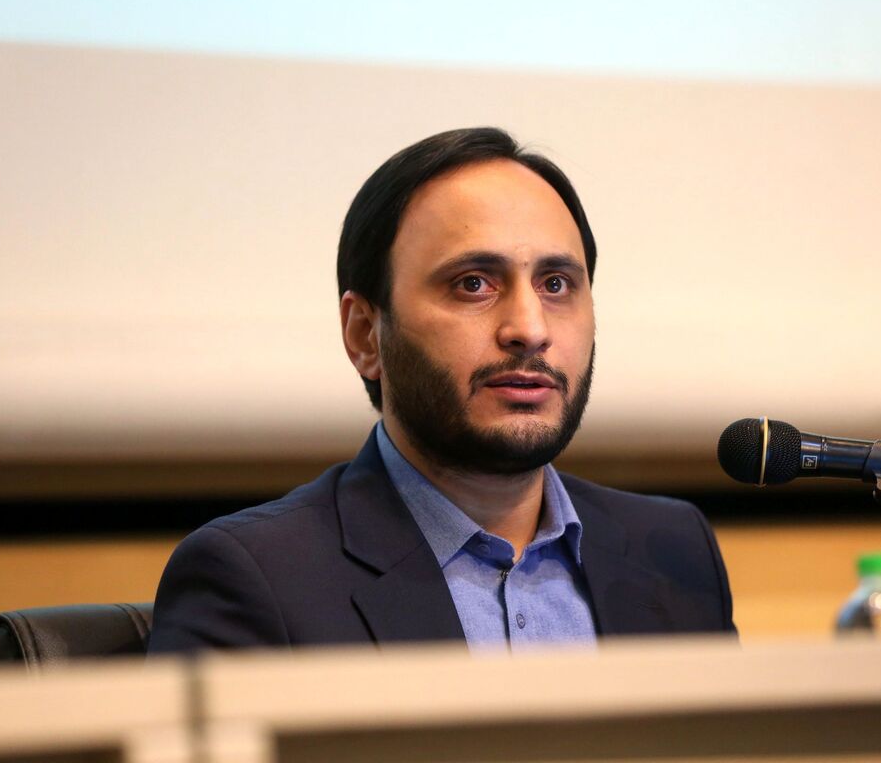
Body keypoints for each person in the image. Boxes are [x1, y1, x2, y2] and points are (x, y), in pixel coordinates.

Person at [148, 127, 735, 654]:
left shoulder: (674, 551)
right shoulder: (259, 577)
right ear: (365, 335)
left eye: (556, 284)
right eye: (473, 284)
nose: (530, 329)